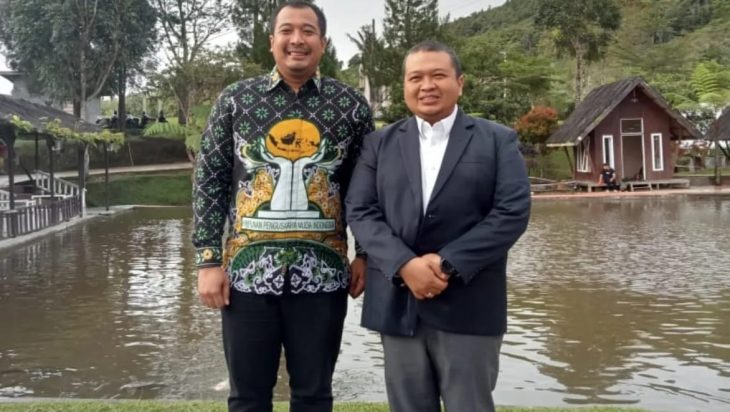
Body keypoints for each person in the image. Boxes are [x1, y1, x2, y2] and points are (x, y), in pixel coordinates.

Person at [192, 2, 373, 411]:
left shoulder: (351, 106)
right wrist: (208, 260)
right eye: (287, 30)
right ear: (272, 40)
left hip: (324, 277)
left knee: (314, 395)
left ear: (322, 42)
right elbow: (210, 180)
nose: (297, 40)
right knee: (248, 397)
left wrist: (365, 254)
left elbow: (365, 188)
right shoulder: (235, 100)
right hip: (246, 278)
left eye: (308, 31)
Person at [346, 41, 531, 412]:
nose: (426, 85)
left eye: (438, 76)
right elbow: (361, 210)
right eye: (416, 77)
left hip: (469, 303)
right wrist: (405, 265)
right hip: (397, 304)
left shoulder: (497, 140)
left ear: (459, 83)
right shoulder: (378, 144)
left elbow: (511, 212)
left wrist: (446, 263)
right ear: (404, 86)